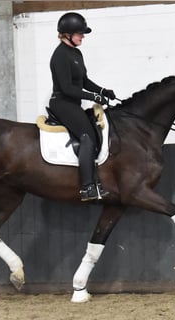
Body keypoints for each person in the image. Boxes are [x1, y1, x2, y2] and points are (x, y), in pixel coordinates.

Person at [48, 12, 116, 202]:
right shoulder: (60, 55)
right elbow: (68, 88)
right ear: (67, 34)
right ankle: (87, 187)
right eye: (79, 33)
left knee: (95, 132)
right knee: (87, 137)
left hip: (73, 103)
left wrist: (103, 91)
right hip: (62, 103)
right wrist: (93, 96)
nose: (82, 36)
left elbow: (83, 81)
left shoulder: (76, 53)